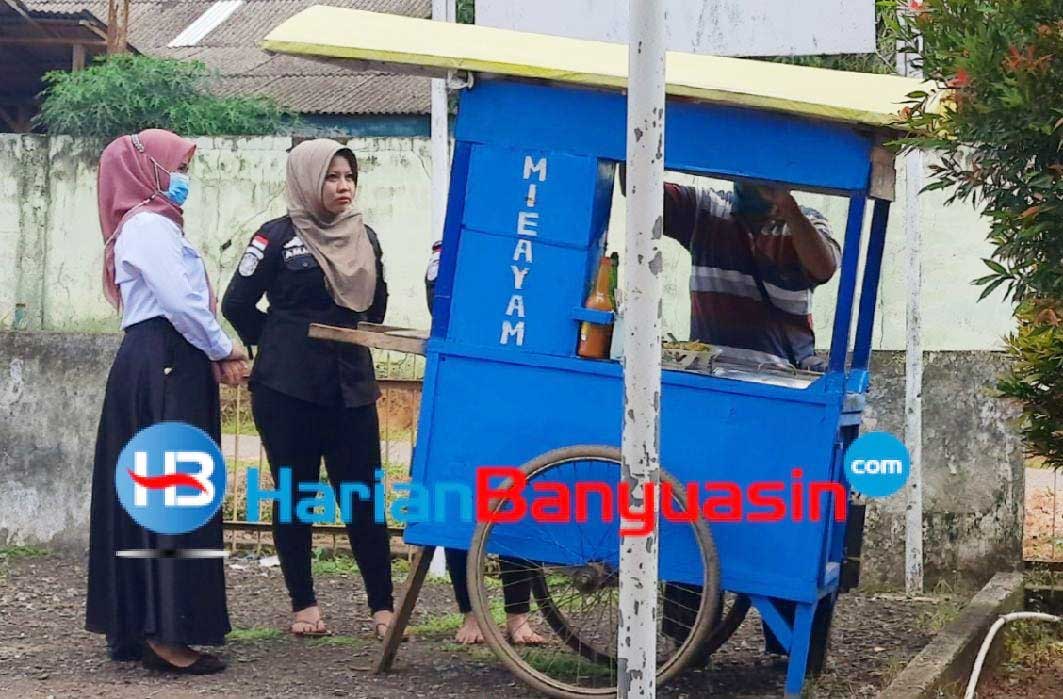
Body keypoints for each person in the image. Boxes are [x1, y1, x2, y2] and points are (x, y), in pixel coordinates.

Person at [654, 177, 840, 657]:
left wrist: (788, 206)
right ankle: (684, 639)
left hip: (780, 394)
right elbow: (642, 188)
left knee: (786, 514)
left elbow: (823, 266)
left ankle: (788, 646)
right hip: (709, 388)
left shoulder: (806, 221)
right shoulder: (705, 210)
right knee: (692, 504)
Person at [87, 129, 248, 674]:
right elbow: (180, 301)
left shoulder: (142, 227)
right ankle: (170, 634)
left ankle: (135, 623)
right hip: (166, 361)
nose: (183, 177)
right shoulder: (150, 226)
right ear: (147, 171)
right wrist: (224, 346)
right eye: (175, 165)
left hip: (156, 360)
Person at [222, 139, 396, 640]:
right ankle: (304, 605)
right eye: (331, 177)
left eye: (348, 177)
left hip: (351, 386)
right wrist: (277, 343)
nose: (342, 186)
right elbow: (237, 303)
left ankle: (382, 609)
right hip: (287, 390)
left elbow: (375, 310)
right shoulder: (274, 237)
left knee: (363, 495)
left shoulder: (367, 238)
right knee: (296, 493)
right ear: (307, 180)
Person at [425, 241, 545, 645]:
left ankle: (517, 616)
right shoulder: (453, 245)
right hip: (467, 385)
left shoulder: (534, 246)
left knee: (520, 498)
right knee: (463, 503)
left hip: (519, 387)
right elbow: (437, 300)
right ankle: (471, 612)